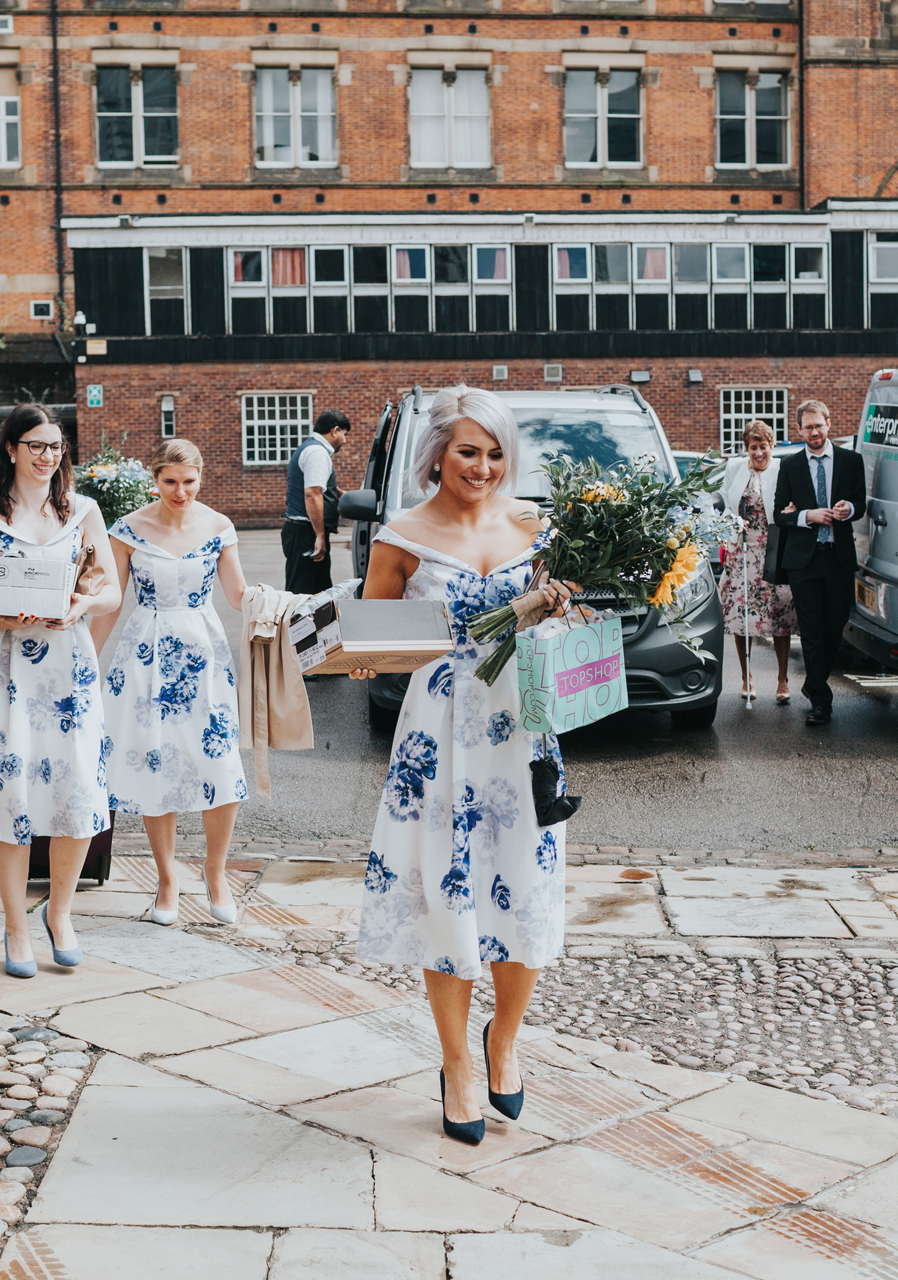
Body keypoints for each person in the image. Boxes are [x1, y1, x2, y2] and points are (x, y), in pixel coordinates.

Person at [349, 384, 577, 1146]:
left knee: (527, 895)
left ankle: (503, 1041)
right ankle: (455, 1064)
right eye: (468, 452)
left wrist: (561, 604)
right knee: (450, 896)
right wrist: (357, 655)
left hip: (525, 726)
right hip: (441, 734)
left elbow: (560, 612)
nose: (482, 467)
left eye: (495, 453)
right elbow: (375, 634)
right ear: (439, 455)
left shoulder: (533, 525)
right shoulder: (403, 535)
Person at [0, 404, 123, 977]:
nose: (47, 457)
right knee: (10, 797)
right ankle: (15, 926)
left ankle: (60, 913)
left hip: (69, 669)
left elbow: (108, 589)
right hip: (7, 668)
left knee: (78, 793)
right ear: (10, 448)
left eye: (56, 447)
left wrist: (83, 604)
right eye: (36, 445)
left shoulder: (83, 510)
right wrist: (10, 617)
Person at [91, 439, 250, 926]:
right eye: (169, 482)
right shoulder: (129, 529)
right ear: (155, 479)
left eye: (189, 481)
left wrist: (291, 613)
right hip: (146, 650)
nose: (180, 492)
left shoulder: (219, 527)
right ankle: (166, 879)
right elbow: (111, 600)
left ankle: (216, 874)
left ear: (201, 478)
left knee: (217, 763)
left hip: (204, 652)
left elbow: (239, 594)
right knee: (155, 763)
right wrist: (86, 660)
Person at [771, 399, 866, 726]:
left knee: (835, 623)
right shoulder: (790, 466)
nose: (814, 431)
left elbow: (861, 504)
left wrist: (847, 510)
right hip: (804, 562)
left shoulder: (852, 461)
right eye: (808, 427)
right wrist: (807, 515)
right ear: (799, 429)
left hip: (838, 558)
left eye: (819, 425)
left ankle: (813, 682)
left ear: (829, 424)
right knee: (811, 629)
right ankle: (821, 703)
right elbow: (779, 515)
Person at [717, 420, 798, 705]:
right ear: (747, 448)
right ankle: (746, 676)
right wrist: (731, 525)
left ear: (771, 446)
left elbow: (792, 503)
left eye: (763, 446)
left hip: (773, 548)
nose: (759, 452)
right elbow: (727, 505)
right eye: (753, 447)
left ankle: (783, 679)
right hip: (742, 551)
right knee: (742, 617)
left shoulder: (782, 468)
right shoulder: (735, 468)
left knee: (780, 615)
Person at [282, 409, 350, 598]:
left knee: (319, 594)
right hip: (306, 532)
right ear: (335, 430)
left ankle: (316, 629)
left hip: (304, 531)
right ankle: (296, 629)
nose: (344, 441)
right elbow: (312, 493)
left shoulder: (310, 448)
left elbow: (317, 485)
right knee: (303, 597)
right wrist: (319, 535)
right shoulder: (317, 452)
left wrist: (344, 495)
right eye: (345, 434)